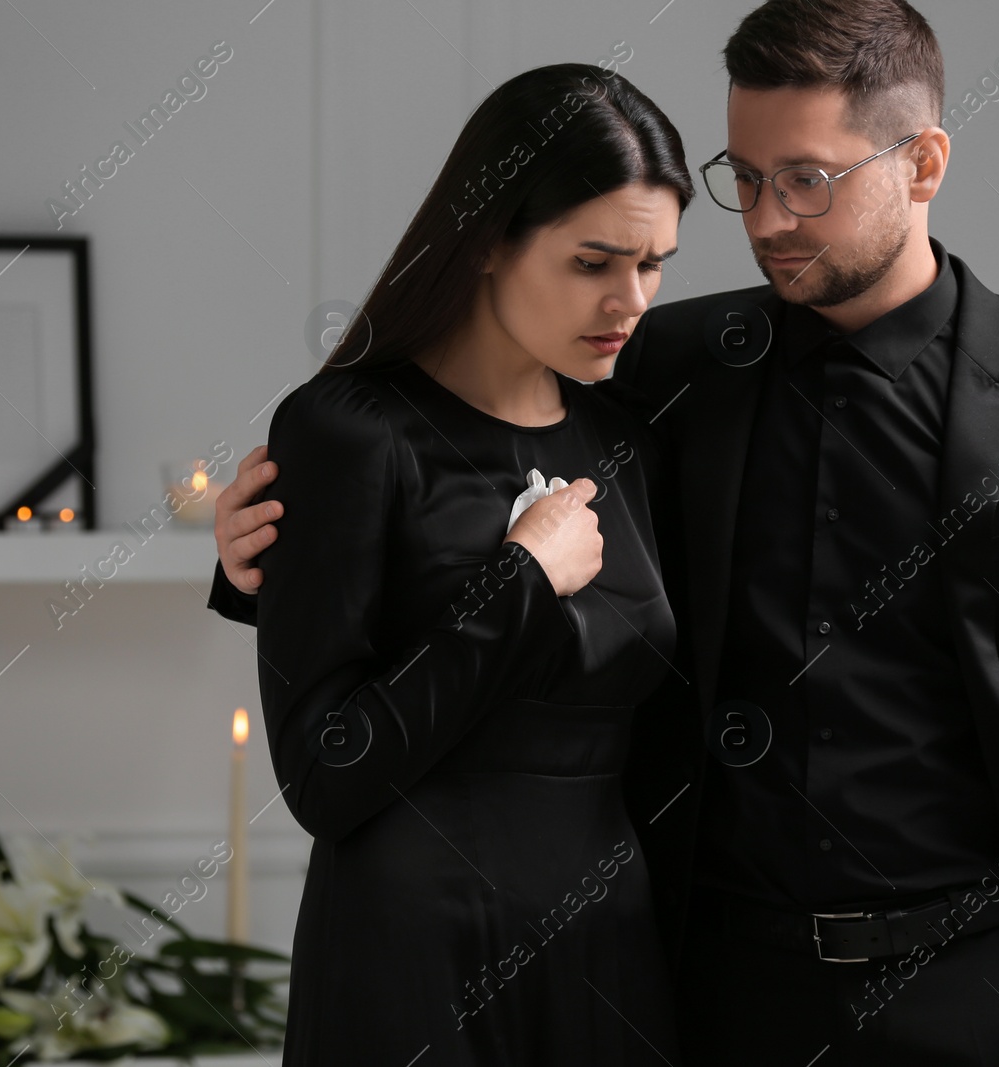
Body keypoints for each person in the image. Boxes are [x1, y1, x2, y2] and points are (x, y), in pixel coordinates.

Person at [211, 3, 999, 1065]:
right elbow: (459, 465)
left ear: (924, 161)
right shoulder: (659, 363)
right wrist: (276, 551)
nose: (765, 220)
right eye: (743, 178)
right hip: (718, 999)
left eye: (806, 178)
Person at [211, 62, 693, 1064]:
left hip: (611, 953)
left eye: (654, 265)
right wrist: (516, 581)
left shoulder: (627, 440)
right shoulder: (349, 432)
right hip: (413, 962)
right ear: (485, 239)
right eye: (594, 260)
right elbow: (323, 776)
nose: (631, 300)